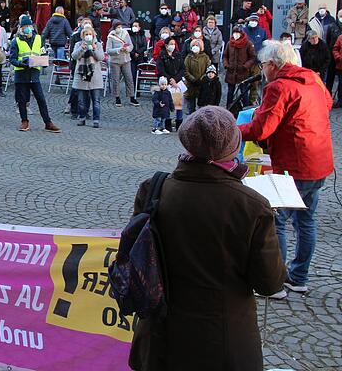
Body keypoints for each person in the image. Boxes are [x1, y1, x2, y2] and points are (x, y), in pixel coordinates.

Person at [129, 105, 285, 370]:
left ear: (187, 143)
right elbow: (269, 282)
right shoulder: (252, 206)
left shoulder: (153, 189)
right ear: (233, 147)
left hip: (161, 336)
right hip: (223, 340)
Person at [239, 40, 333, 296]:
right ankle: (299, 277)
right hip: (319, 161)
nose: (262, 69)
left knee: (276, 221)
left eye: (263, 64)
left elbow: (261, 129)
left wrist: (230, 131)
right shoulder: (312, 78)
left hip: (295, 164)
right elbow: (326, 104)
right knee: (306, 220)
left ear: (273, 65)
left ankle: (275, 281)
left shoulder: (279, 86)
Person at [9, 15, 61, 133]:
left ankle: (48, 122)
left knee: (41, 99)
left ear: (32, 26)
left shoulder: (38, 38)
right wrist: (22, 64)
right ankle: (24, 121)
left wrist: (43, 61)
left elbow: (42, 53)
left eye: (29, 26)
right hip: (21, 74)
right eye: (25, 26)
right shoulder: (15, 41)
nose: (27, 28)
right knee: (22, 100)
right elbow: (12, 59)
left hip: (34, 74)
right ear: (21, 28)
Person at [71, 26, 105, 128]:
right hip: (82, 75)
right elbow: (74, 56)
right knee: (81, 100)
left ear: (93, 35)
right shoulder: (78, 44)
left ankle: (96, 120)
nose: (88, 36)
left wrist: (94, 49)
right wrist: (82, 48)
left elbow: (100, 57)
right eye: (86, 34)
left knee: (96, 100)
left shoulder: (98, 45)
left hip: (94, 75)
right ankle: (82, 117)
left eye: (90, 34)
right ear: (83, 36)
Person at [106, 19, 138, 107]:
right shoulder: (111, 36)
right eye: (117, 27)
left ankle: (131, 97)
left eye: (120, 26)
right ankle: (117, 97)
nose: (119, 28)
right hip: (115, 61)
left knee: (129, 78)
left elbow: (131, 45)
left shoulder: (125, 34)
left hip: (126, 59)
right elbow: (108, 50)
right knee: (115, 80)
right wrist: (118, 50)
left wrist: (127, 49)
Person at [222, 26, 256, 106]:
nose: (236, 35)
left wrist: (246, 66)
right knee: (230, 92)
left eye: (238, 33)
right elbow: (225, 56)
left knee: (244, 92)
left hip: (243, 72)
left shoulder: (248, 43)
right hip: (231, 71)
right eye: (234, 33)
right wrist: (226, 65)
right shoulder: (230, 43)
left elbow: (253, 57)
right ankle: (229, 108)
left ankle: (245, 109)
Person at [183, 39, 211, 114]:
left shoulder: (205, 57)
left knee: (201, 108)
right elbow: (185, 70)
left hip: (202, 85)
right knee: (191, 108)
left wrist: (202, 79)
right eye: (193, 45)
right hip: (190, 85)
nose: (195, 47)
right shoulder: (188, 58)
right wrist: (193, 79)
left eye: (197, 45)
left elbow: (208, 69)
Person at [324, 9, 342, 99]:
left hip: (340, 58)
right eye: (340, 16)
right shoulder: (332, 26)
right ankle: (327, 96)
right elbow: (328, 40)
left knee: (340, 80)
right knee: (330, 78)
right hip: (332, 56)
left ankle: (340, 98)